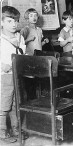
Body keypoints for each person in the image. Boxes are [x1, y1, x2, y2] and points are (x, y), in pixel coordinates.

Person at [0, 6, 26, 143]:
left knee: (16, 103)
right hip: (4, 76)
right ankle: (2, 132)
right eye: (9, 21)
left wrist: (18, 45)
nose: (14, 24)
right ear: (1, 22)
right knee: (4, 104)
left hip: (17, 74)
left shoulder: (20, 37)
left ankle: (16, 128)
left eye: (16, 21)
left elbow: (23, 54)